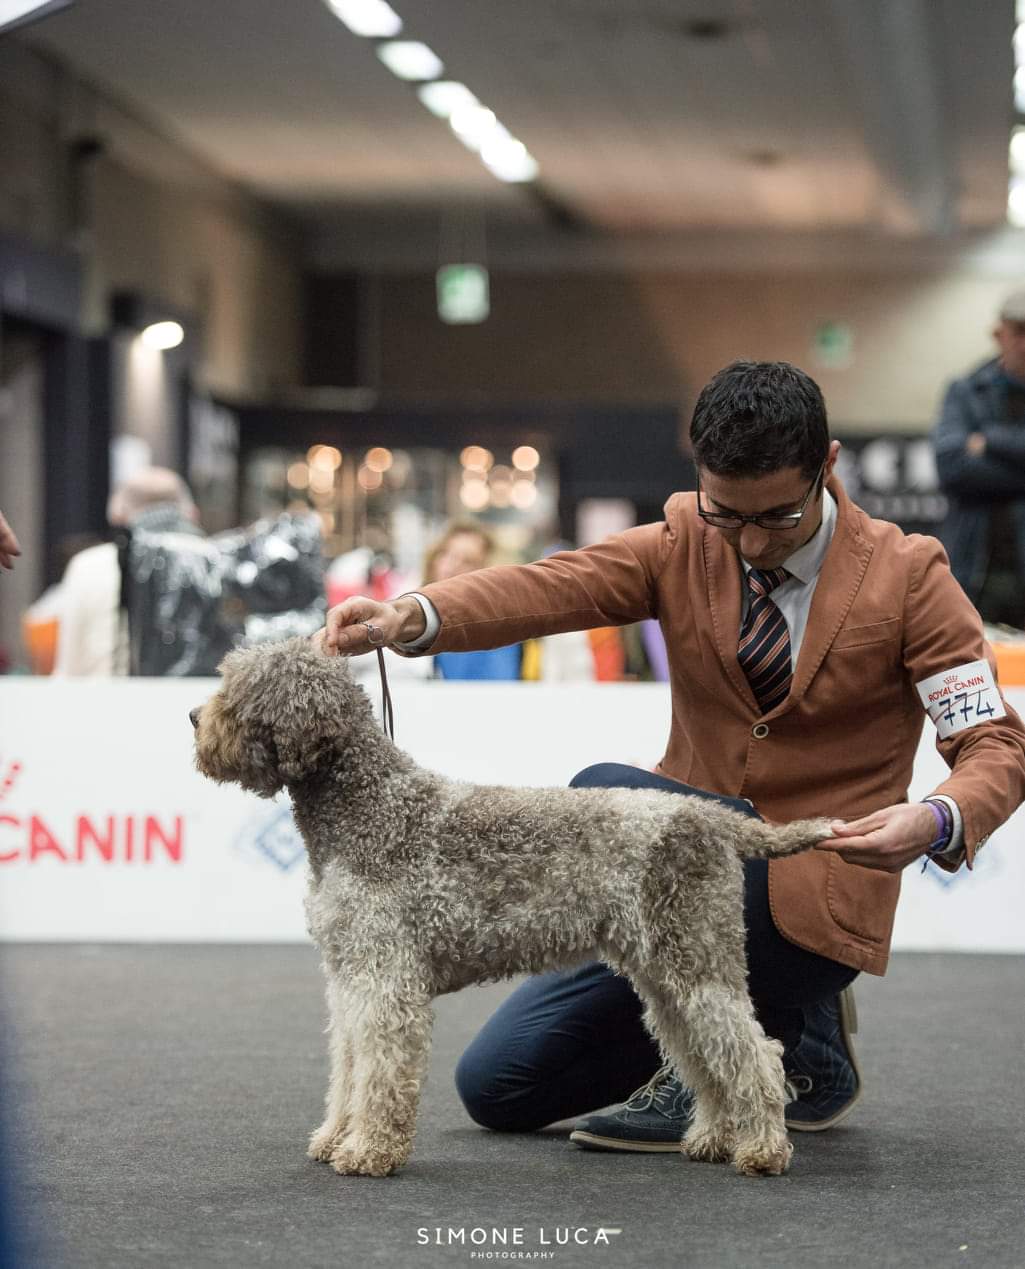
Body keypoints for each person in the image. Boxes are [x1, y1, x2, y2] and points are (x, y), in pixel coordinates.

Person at [316, 360, 1025, 1152]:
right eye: (727, 514)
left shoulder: (910, 574)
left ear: (827, 466)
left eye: (777, 517)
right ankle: (785, 1043)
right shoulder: (682, 538)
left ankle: (789, 1016)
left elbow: (992, 740)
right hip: (663, 885)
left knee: (599, 788)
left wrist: (937, 817)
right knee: (499, 1086)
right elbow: (551, 587)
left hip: (815, 882)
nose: (750, 541)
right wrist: (413, 614)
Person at [53, 467, 200, 676]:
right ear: (192, 514)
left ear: (117, 514)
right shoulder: (213, 563)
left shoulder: (88, 566)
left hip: (104, 703)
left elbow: (69, 668)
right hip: (196, 705)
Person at [933, 290, 1025, 614]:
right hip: (975, 570)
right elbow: (952, 467)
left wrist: (989, 440)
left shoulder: (974, 410)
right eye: (1019, 332)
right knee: (972, 664)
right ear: (999, 335)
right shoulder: (966, 391)